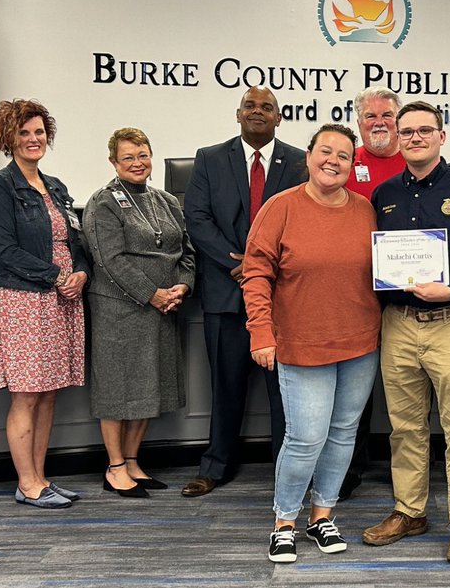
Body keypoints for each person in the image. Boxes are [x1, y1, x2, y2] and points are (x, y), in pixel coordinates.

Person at [361, 101, 450, 564]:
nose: (415, 137)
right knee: (404, 428)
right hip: (398, 325)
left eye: (425, 130)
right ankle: (410, 511)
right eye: (407, 132)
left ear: (443, 137)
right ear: (397, 140)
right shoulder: (382, 195)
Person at [242, 124, 380, 563]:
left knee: (342, 436)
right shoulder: (280, 207)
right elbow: (256, 273)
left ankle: (322, 516)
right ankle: (284, 522)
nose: (333, 161)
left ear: (352, 164)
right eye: (326, 151)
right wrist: (260, 332)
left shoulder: (366, 210)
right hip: (301, 344)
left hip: (361, 343)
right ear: (308, 155)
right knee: (304, 438)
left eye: (343, 155)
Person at [181, 86, 306, 498]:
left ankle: (285, 472)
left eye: (266, 107)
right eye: (250, 106)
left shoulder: (300, 162)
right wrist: (240, 265)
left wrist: (263, 269)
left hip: (282, 299)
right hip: (226, 292)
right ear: (238, 114)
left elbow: (306, 222)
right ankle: (215, 466)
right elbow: (197, 220)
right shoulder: (209, 158)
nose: (258, 112)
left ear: (278, 118)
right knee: (226, 387)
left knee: (284, 396)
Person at [0, 99, 89, 509]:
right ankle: (27, 483)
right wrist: (57, 276)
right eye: (24, 132)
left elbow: (74, 241)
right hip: (23, 300)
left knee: (48, 393)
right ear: (8, 138)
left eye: (39, 131)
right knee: (27, 394)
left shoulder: (56, 186)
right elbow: (4, 251)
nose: (33, 139)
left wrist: (80, 271)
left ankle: (41, 478)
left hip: (62, 299)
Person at [82, 128, 196, 498]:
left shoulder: (167, 200)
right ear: (114, 162)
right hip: (121, 311)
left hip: (164, 309)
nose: (137, 163)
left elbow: (187, 251)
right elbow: (109, 260)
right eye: (128, 157)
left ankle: (132, 461)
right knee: (119, 391)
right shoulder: (103, 203)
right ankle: (115, 468)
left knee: (149, 389)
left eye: (143, 155)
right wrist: (152, 294)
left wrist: (183, 285)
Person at [341, 86, 405, 500]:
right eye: (370, 117)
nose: (379, 123)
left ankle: (410, 473)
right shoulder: (344, 162)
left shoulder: (420, 160)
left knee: (409, 387)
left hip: (406, 295)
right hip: (354, 293)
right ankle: (347, 470)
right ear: (358, 122)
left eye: (386, 116)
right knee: (353, 391)